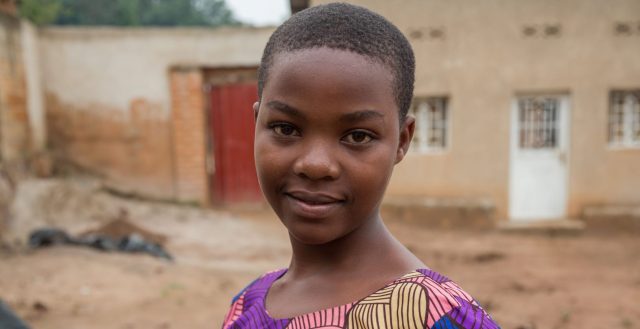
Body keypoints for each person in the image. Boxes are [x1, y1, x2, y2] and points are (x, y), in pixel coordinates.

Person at [221, 3, 500, 329]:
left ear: (401, 140)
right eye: (286, 129)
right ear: (257, 125)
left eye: (357, 136)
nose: (316, 165)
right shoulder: (247, 305)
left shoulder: (434, 314)